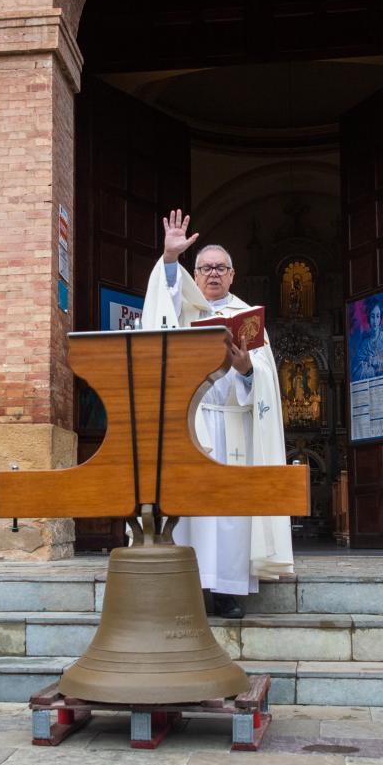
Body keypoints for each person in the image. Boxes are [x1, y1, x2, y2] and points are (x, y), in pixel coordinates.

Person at [141, 209, 293, 618]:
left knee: (228, 513)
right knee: (191, 510)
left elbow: (264, 378)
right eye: (204, 267)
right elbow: (159, 314)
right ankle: (186, 590)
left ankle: (226, 591)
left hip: (232, 426)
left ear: (232, 274)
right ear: (195, 273)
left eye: (220, 268)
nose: (212, 274)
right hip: (193, 423)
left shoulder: (248, 318)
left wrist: (245, 368)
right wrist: (170, 261)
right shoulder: (185, 308)